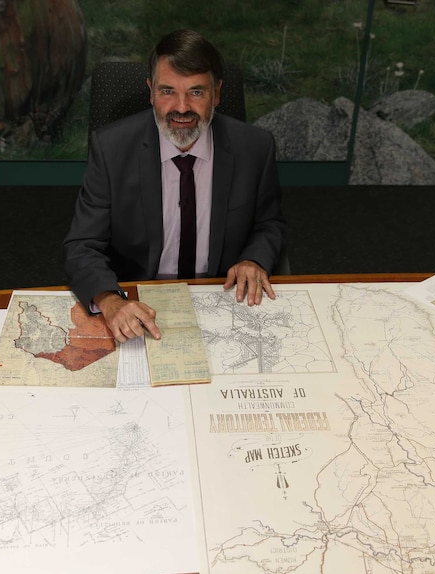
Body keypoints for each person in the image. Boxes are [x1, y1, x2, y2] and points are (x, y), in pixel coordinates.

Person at [63, 29, 285, 343]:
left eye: (196, 92)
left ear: (217, 93)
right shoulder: (111, 149)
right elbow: (82, 244)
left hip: (220, 300)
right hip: (137, 300)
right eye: (168, 91)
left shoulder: (255, 148)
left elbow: (268, 222)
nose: (181, 108)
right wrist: (110, 300)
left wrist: (254, 259)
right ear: (151, 91)